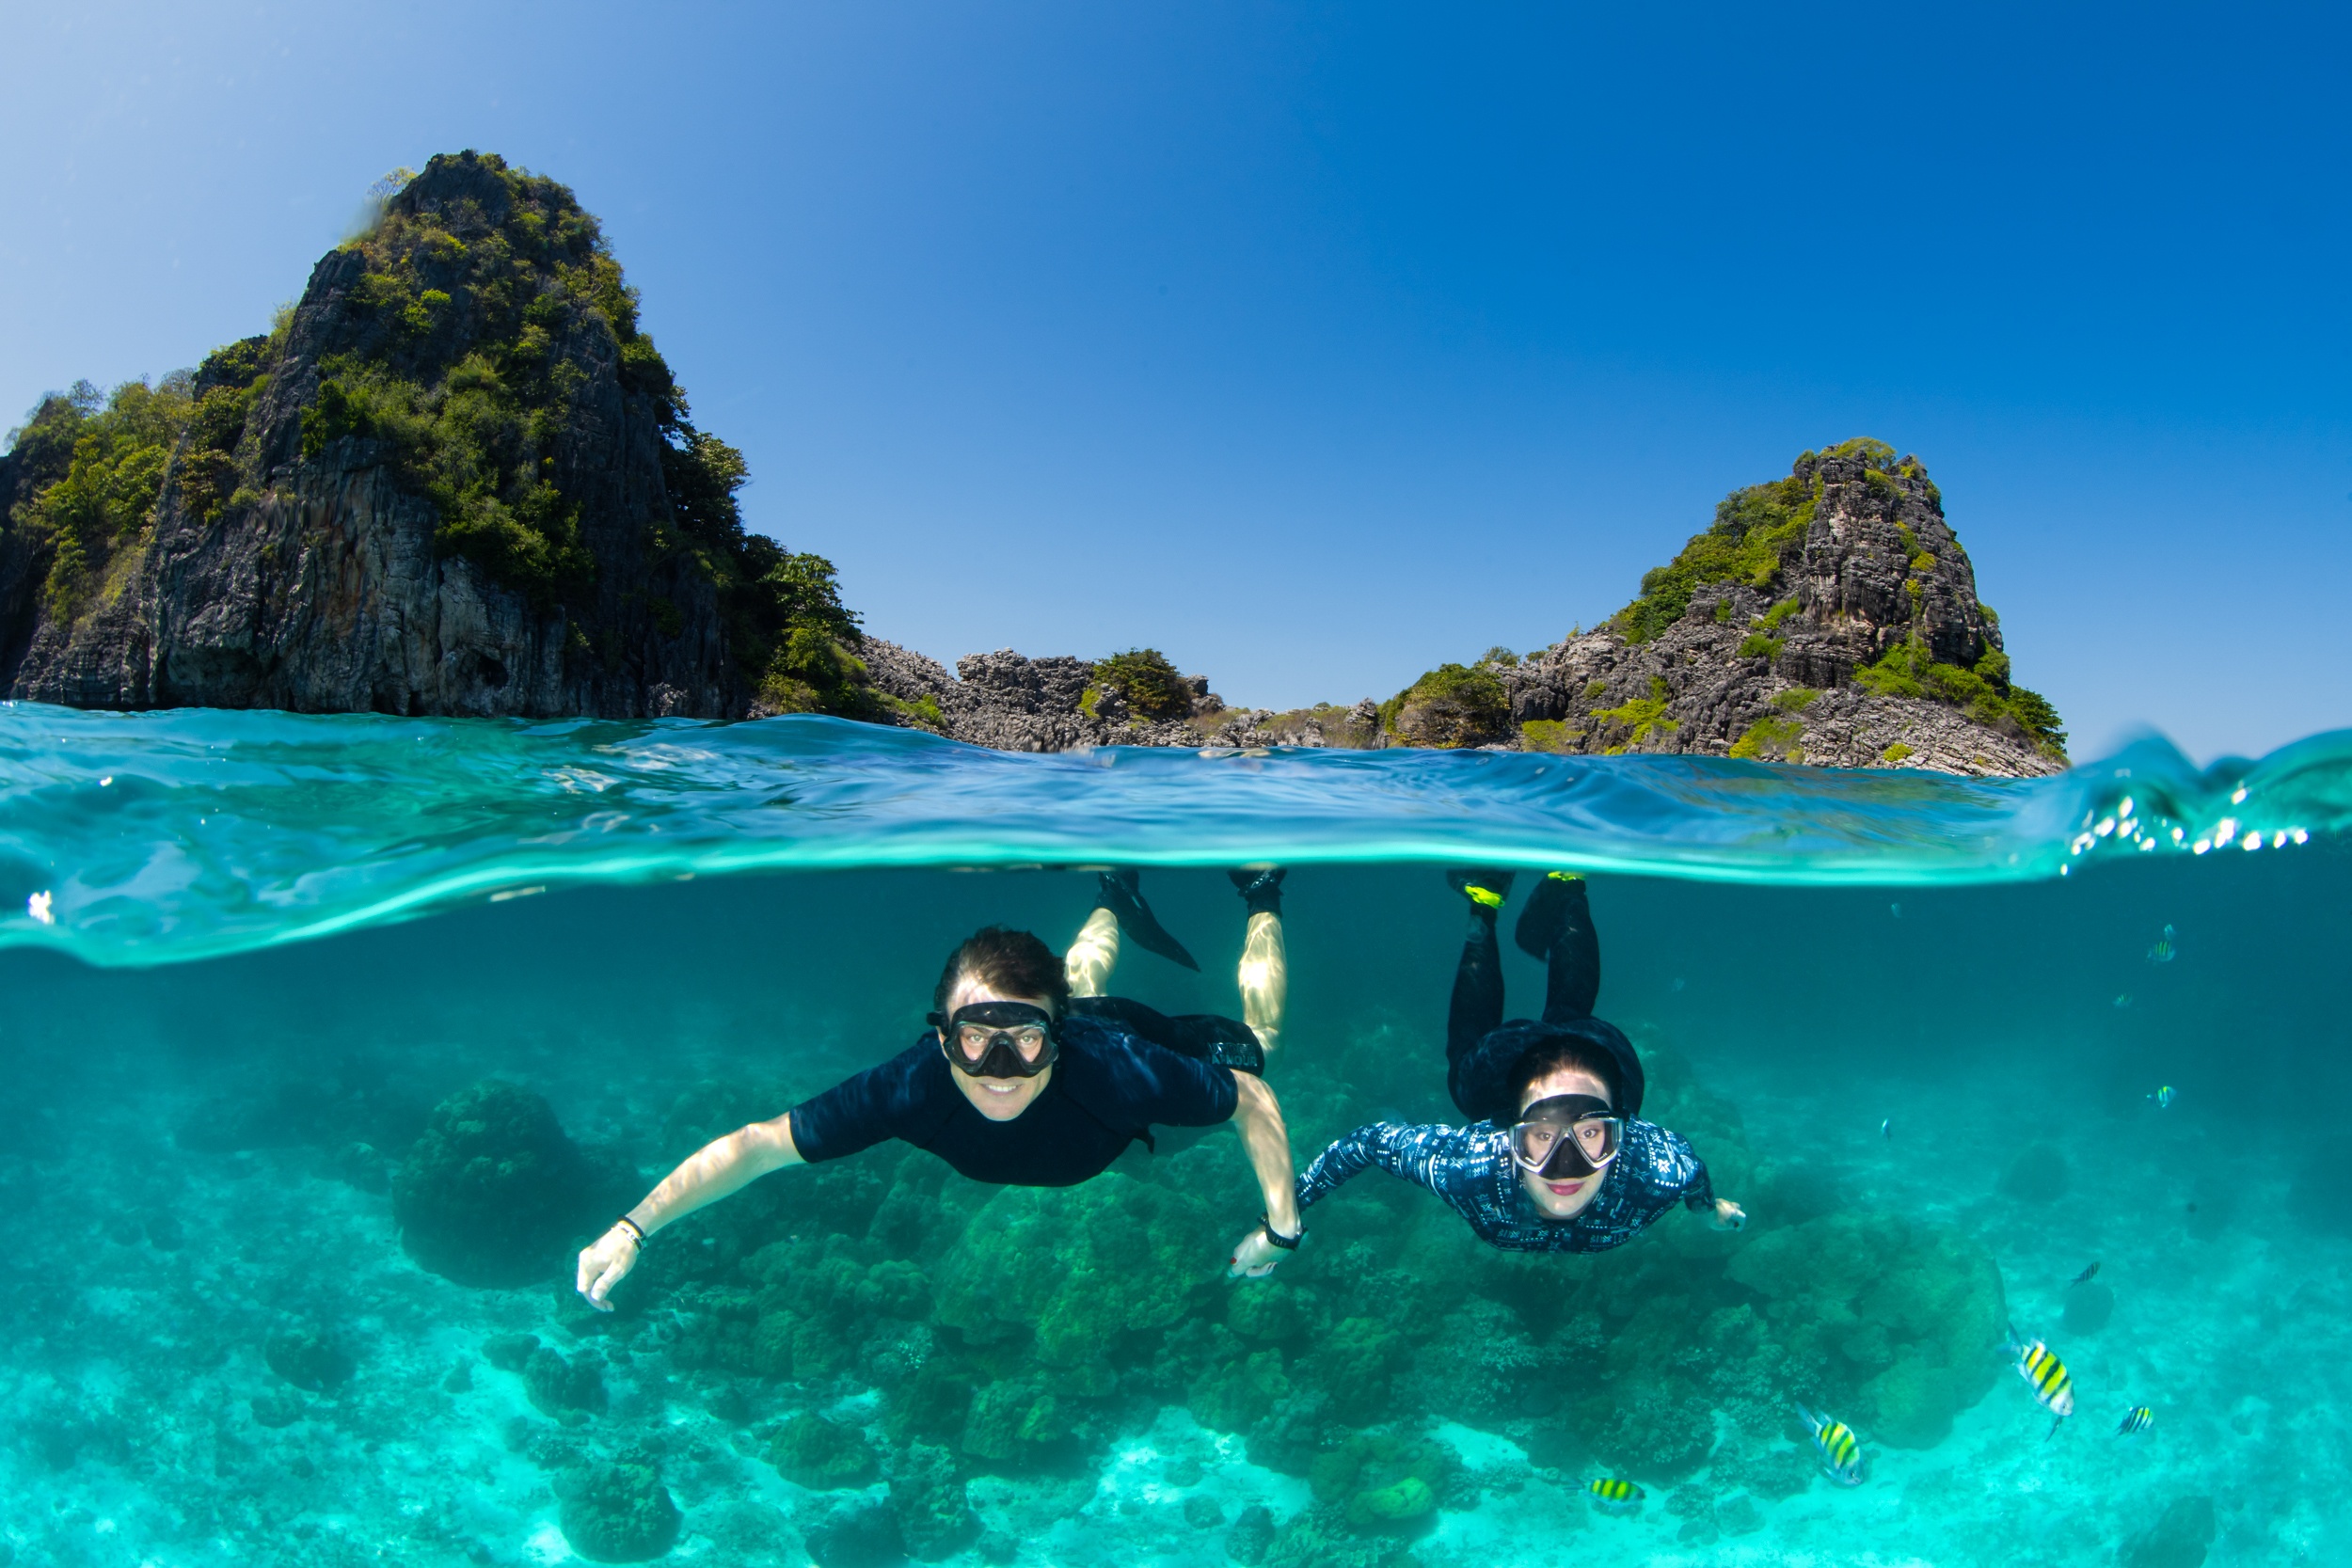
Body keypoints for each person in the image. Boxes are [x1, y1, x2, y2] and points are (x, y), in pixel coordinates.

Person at [576, 869, 1302, 1309]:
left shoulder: (1117, 1071)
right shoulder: (912, 1086)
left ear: (1055, 1039)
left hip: (1115, 1029)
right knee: (1073, 982)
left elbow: (1252, 1101)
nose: (999, 1068)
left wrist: (1281, 1229)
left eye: (1024, 1038)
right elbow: (762, 1145)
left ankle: (1259, 892)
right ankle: (1113, 892)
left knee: (1257, 1050)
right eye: (974, 1037)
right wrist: (633, 1225)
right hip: (1070, 1014)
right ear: (941, 1034)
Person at [1293, 870, 1743, 1252]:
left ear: (1620, 1132)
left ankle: (1502, 898)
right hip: (1555, 1061)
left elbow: (1693, 1176)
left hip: (1596, 1063)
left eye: (1591, 1134)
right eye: (1542, 1135)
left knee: (1510, 1047)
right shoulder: (1473, 1169)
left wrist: (1707, 1207)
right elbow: (1368, 1143)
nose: (1567, 1165)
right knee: (1561, 1020)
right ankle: (1555, 885)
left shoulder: (1655, 1172)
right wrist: (1279, 1223)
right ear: (1508, 1134)